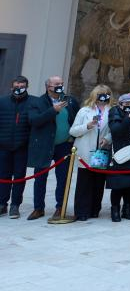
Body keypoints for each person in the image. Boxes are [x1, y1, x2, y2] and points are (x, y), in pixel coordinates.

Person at [27, 76, 79, 220]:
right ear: (48, 86)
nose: (60, 86)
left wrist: (72, 138)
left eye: (61, 84)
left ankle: (60, 208)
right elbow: (34, 121)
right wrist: (53, 110)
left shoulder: (70, 101)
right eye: (56, 84)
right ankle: (38, 208)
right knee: (40, 177)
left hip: (64, 145)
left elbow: (76, 119)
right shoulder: (37, 102)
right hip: (44, 145)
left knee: (63, 178)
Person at [69, 84, 113, 221]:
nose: (103, 97)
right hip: (85, 151)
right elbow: (73, 131)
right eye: (100, 94)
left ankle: (95, 209)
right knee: (84, 183)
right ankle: (81, 211)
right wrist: (87, 126)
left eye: (106, 94)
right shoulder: (84, 111)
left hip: (101, 151)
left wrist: (107, 139)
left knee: (99, 182)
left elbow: (113, 130)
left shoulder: (112, 111)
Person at [0, 76, 32, 218]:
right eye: (16, 86)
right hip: (3, 146)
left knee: (19, 177)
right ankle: (2, 204)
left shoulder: (33, 102)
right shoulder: (2, 102)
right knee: (3, 176)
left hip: (22, 147)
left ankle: (15, 205)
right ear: (12, 87)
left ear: (26, 87)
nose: (19, 89)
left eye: (22, 86)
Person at [107, 94, 130, 222]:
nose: (129, 106)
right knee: (117, 185)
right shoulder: (114, 112)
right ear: (120, 104)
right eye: (126, 104)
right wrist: (129, 118)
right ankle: (115, 210)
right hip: (119, 154)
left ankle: (127, 209)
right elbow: (116, 131)